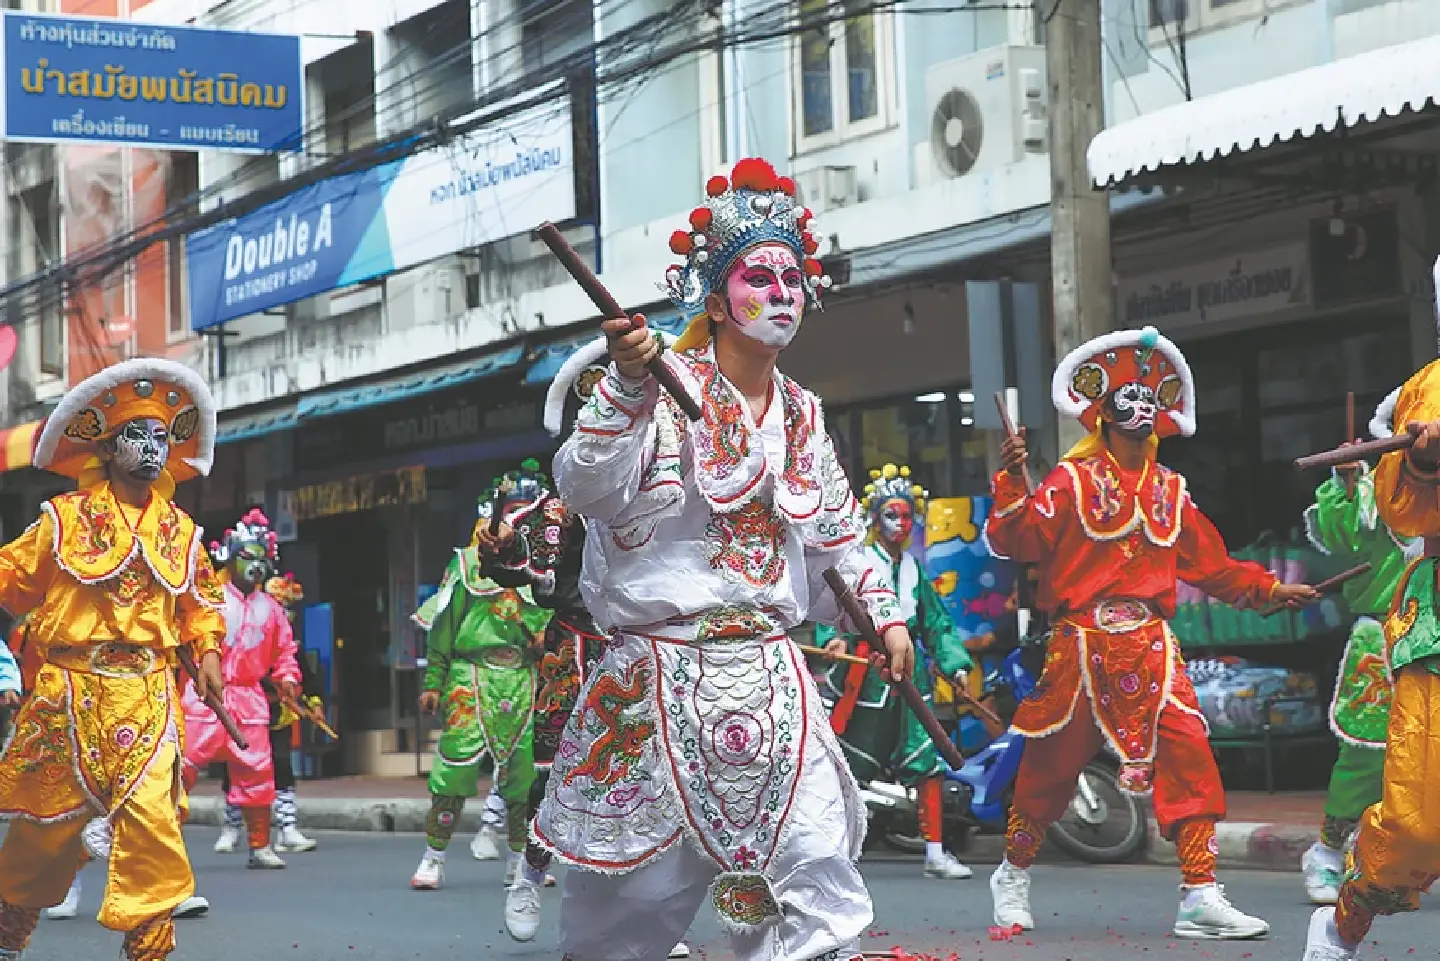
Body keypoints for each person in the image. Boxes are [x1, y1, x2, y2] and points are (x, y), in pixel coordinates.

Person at [534, 156, 914, 961]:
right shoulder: (654, 388)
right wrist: (629, 387)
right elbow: (587, 487)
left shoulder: (805, 414)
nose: (781, 293)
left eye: (793, 278)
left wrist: (883, 616)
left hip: (776, 683)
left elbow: (837, 539)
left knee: (818, 875)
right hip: (658, 681)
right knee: (620, 919)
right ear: (715, 300)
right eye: (759, 277)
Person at [985, 326, 1318, 941]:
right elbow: (1018, 541)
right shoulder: (1071, 481)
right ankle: (1012, 872)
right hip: (1082, 647)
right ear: (1103, 417)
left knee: (1191, 750)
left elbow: (1212, 566)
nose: (1139, 411)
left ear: (1161, 416)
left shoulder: (1171, 492)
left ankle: (1199, 892)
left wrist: (1270, 590)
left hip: (1154, 647)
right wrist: (1012, 484)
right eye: (1125, 400)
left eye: (1148, 400)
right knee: (1050, 769)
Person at [0, 358, 228, 961]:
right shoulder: (64, 520)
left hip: (150, 694)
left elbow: (200, 601)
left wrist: (207, 651)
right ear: (108, 444)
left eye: (161, 437)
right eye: (138, 434)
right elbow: (11, 579)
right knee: (41, 838)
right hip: (69, 694)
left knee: (154, 830)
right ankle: (6, 940)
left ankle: (149, 953)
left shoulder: (180, 530)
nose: (153, 449)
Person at [1302, 357, 1440, 960]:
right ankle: (1335, 878)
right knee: (1391, 786)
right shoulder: (1430, 392)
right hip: (1403, 634)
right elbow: (1397, 511)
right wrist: (1421, 463)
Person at [815, 463, 975, 880]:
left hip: (910, 676)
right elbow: (830, 600)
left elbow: (936, 623)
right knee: (845, 766)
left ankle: (936, 852)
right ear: (874, 518)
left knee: (928, 760)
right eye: (891, 514)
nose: (900, 524)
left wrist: (954, 664)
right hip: (864, 675)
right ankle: (831, 851)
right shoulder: (860, 560)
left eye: (907, 516)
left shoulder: (914, 572)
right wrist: (834, 638)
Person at [1298, 388, 1415, 905]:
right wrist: (1345, 487)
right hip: (1385, 638)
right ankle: (1327, 851)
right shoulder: (1374, 486)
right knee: (1366, 756)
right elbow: (1339, 535)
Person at [408, 481, 555, 892]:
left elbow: (556, 624)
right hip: (469, 676)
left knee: (525, 778)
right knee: (454, 768)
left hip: (525, 679)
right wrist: (433, 680)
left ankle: (519, 864)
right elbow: (443, 626)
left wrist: (549, 643)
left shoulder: (541, 569)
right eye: (512, 511)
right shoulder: (466, 564)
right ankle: (433, 857)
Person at [180, 509, 300, 872]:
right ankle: (163, 847)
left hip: (249, 699)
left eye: (263, 559)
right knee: (179, 770)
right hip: (205, 696)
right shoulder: (210, 599)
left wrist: (288, 678)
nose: (256, 566)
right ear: (231, 559)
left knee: (259, 773)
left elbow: (285, 651)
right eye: (248, 557)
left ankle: (260, 845)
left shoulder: (272, 609)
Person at [214, 572, 323, 856]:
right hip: (241, 706)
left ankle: (287, 829)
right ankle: (231, 827)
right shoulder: (242, 638)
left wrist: (312, 701)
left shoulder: (286, 643)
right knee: (235, 768)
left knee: (282, 767)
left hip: (276, 714)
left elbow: (306, 677)